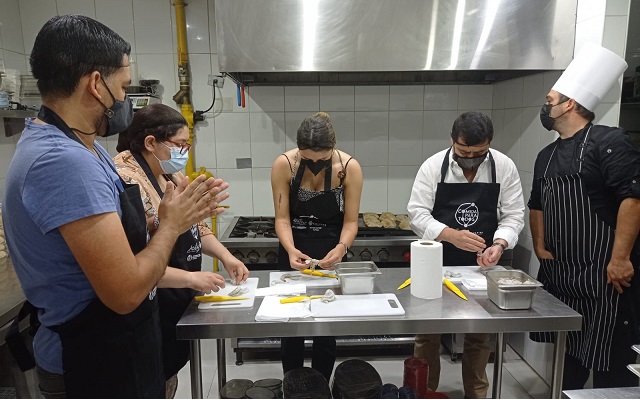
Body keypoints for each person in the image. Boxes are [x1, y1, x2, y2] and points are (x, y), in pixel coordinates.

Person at [1, 15, 228, 399]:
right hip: (93, 363)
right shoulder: (62, 161)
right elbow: (124, 291)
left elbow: (119, 245)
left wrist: (168, 219)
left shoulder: (83, 149)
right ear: (95, 84)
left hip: (120, 348)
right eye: (123, 87)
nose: (126, 101)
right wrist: (171, 226)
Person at [114, 103, 250, 398]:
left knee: (168, 375)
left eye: (188, 146)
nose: (184, 153)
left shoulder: (171, 177)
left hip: (175, 300)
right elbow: (135, 260)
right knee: (153, 380)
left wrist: (226, 256)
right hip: (150, 304)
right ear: (151, 142)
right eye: (180, 145)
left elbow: (195, 226)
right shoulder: (126, 180)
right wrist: (191, 279)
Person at [528, 43, 640, 390]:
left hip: (605, 277)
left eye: (549, 101)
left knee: (611, 364)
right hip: (563, 275)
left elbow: (632, 198)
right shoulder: (546, 155)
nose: (545, 108)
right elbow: (537, 204)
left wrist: (620, 258)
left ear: (570, 104)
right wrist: (539, 244)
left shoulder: (610, 142)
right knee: (569, 357)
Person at [407, 111, 525, 398]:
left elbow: (514, 215)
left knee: (479, 335)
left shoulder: (504, 166)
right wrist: (450, 235)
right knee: (427, 335)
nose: (470, 157)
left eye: (479, 152)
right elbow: (416, 214)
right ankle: (425, 392)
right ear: (452, 141)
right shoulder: (434, 166)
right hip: (436, 263)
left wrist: (499, 244)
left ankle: (477, 394)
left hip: (480, 265)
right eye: (464, 151)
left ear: (490, 144)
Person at [271, 111, 363, 382]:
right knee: (291, 328)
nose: (313, 165)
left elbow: (350, 222)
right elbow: (281, 218)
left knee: (325, 327)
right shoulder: (284, 164)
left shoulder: (349, 168)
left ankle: (321, 385)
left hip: (330, 252)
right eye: (306, 159)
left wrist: (342, 248)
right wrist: (289, 249)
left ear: (332, 149)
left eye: (320, 160)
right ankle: (294, 386)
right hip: (293, 250)